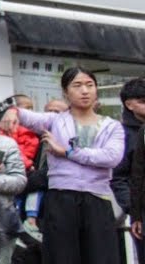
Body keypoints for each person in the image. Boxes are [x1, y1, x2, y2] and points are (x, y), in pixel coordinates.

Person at [15, 66, 125, 264]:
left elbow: (111, 157)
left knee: (101, 257)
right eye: (77, 85)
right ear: (66, 92)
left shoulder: (112, 126)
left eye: (90, 85)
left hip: (97, 199)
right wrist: (11, 111)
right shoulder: (55, 121)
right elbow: (25, 116)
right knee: (61, 257)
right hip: (61, 198)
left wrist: (67, 152)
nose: (85, 91)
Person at [115, 77, 145, 262]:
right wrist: (135, 210)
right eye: (142, 101)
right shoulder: (122, 134)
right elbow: (118, 177)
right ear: (129, 104)